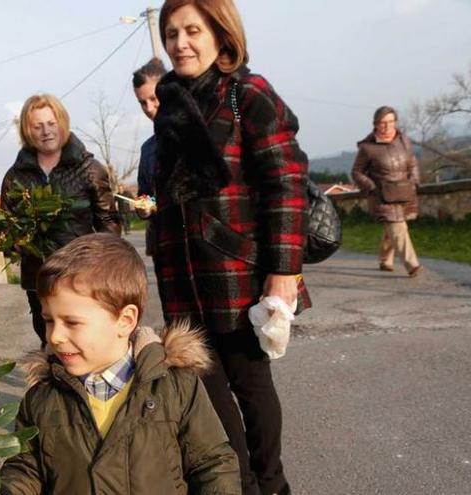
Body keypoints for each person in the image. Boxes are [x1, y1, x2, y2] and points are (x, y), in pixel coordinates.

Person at [152, 1, 312, 494]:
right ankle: (239, 484)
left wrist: (283, 272)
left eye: (192, 30)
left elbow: (286, 182)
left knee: (251, 385)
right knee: (210, 393)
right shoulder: (173, 102)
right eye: (171, 32)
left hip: (236, 273)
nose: (180, 43)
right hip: (182, 276)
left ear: (221, 34)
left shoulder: (249, 93)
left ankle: (272, 482)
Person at [0, 233, 241, 494]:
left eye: (72, 322)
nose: (54, 336)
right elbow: (26, 468)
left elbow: (211, 464)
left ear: (125, 320)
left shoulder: (175, 388)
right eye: (49, 320)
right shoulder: (42, 399)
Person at [0, 94, 121, 346]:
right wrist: (17, 243)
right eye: (37, 126)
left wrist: (100, 264)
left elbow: (108, 220)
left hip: (82, 276)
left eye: (51, 124)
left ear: (62, 123)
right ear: (27, 130)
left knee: (87, 339)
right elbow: (6, 227)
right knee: (51, 340)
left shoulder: (89, 169)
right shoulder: (15, 177)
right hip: (39, 277)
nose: (46, 132)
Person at [351, 106, 423, 277]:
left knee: (393, 227)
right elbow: (356, 172)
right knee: (398, 226)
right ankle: (412, 264)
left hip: (404, 192)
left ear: (395, 122)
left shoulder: (404, 140)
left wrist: (414, 181)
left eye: (390, 122)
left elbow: (412, 163)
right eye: (382, 123)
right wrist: (372, 187)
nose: (387, 126)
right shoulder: (367, 148)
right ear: (375, 124)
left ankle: (385, 259)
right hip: (382, 195)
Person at [133, 57, 168, 256]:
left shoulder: (197, 134)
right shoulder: (148, 149)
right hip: (163, 249)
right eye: (142, 102)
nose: (149, 108)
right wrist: (143, 206)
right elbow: (144, 192)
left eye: (154, 98)